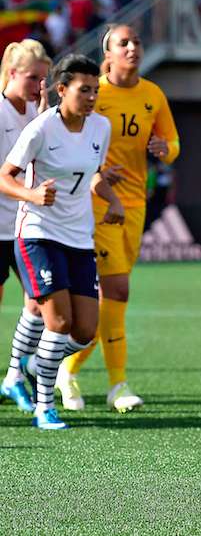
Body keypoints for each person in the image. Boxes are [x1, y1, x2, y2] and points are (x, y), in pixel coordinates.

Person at [57, 24, 180, 413]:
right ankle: (117, 384)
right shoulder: (95, 95)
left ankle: (67, 368)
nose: (133, 48)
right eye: (123, 43)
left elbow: (174, 144)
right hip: (97, 204)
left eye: (137, 42)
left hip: (135, 204)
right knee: (116, 292)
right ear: (106, 54)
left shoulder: (152, 94)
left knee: (112, 299)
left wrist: (165, 148)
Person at [0, 54, 125, 430]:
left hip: (79, 238)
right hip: (38, 234)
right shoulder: (40, 129)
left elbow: (92, 176)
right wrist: (31, 195)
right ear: (62, 90)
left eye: (95, 90)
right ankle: (44, 408)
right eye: (84, 90)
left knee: (85, 330)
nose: (91, 97)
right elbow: (5, 177)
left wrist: (112, 198)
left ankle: (40, 363)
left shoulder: (100, 128)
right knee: (57, 320)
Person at [0, 39, 51, 413]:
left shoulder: (40, 110)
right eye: (33, 78)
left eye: (43, 79)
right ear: (12, 73)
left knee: (40, 302)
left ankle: (16, 373)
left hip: (26, 225)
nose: (38, 86)